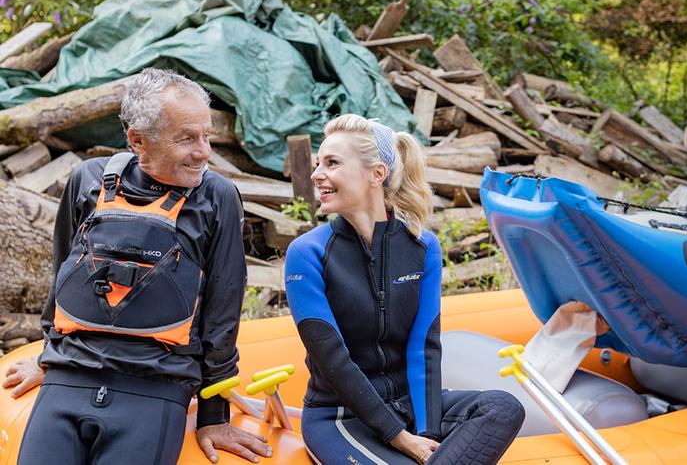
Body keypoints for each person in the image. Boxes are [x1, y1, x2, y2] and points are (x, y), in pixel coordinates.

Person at [2, 68, 270, 464]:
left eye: (206, 136)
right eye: (187, 138)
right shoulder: (87, 180)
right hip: (69, 378)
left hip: (155, 387)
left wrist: (214, 415)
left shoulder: (217, 197)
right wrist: (47, 358)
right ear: (137, 140)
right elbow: (62, 278)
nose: (204, 152)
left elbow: (223, 311)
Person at [284, 114, 525, 464]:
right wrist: (400, 439)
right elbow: (332, 360)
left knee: (502, 408)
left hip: (410, 405)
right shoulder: (308, 253)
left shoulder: (422, 247)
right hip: (341, 415)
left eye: (331, 162)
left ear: (376, 174)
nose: (317, 174)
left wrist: (427, 433)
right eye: (318, 163)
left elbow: (425, 346)